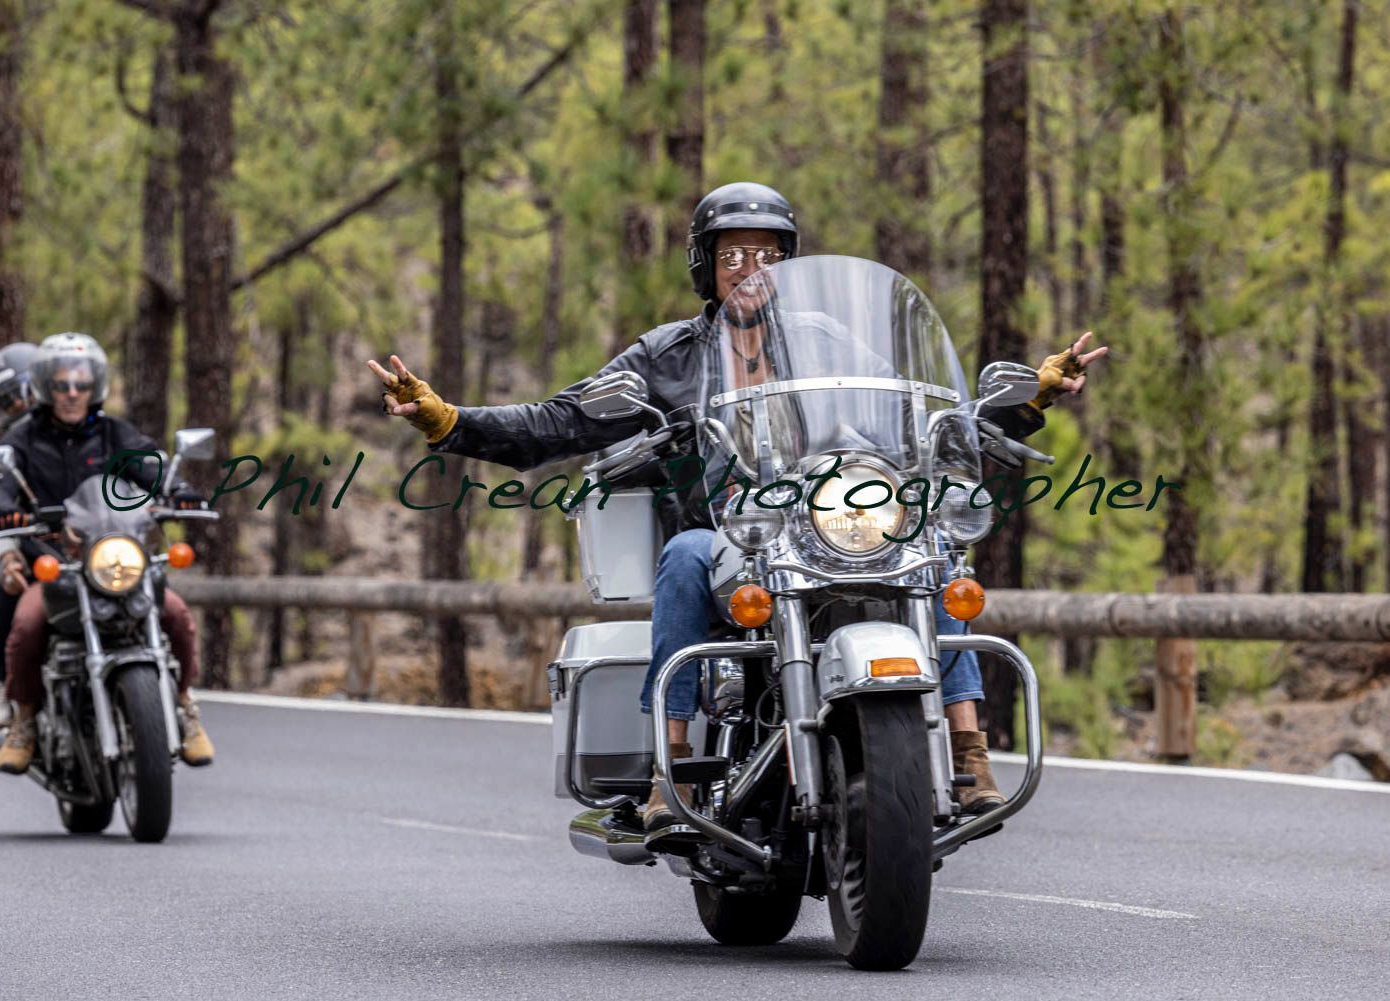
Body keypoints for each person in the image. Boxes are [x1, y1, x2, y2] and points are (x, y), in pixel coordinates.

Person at [369, 181, 1106, 838]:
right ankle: (672, 770)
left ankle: (969, 753)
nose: (751, 269)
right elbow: (558, 422)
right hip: (732, 542)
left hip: (831, 532)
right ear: (705, 264)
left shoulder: (827, 341)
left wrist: (1029, 400)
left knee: (931, 548)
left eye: (767, 254)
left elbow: (914, 418)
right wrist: (447, 420)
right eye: (733, 255)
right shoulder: (667, 356)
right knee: (683, 553)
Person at [0, 332, 216, 773]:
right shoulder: (22, 440)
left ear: (95, 385)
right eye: (62, 383)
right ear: (45, 385)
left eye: (81, 383)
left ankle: (185, 705)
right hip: (58, 565)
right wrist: (0, 511)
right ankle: (24, 719)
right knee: (28, 623)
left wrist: (180, 492)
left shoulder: (114, 434)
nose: (72, 393)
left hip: (114, 559)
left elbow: (152, 465)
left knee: (177, 615)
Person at [0, 342, 41, 732]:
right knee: (10, 581)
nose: (17, 406)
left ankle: (178, 695)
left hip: (95, 543)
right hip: (36, 544)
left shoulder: (83, 429)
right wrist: (6, 551)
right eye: (7, 401)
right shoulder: (7, 447)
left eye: (21, 395)